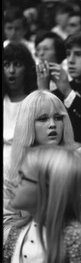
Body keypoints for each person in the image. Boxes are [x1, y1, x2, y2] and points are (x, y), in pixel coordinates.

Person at [3, 145, 81, 263]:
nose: (13, 182)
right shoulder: (17, 231)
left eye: (22, 177)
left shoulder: (73, 238)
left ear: (48, 190)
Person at [4, 90, 81, 224]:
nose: (52, 124)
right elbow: (7, 220)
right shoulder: (10, 164)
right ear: (27, 123)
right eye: (43, 119)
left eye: (58, 118)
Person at [3, 42, 37, 181]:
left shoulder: (33, 101)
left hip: (27, 168)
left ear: (27, 69)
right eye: (6, 65)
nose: (11, 70)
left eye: (17, 65)